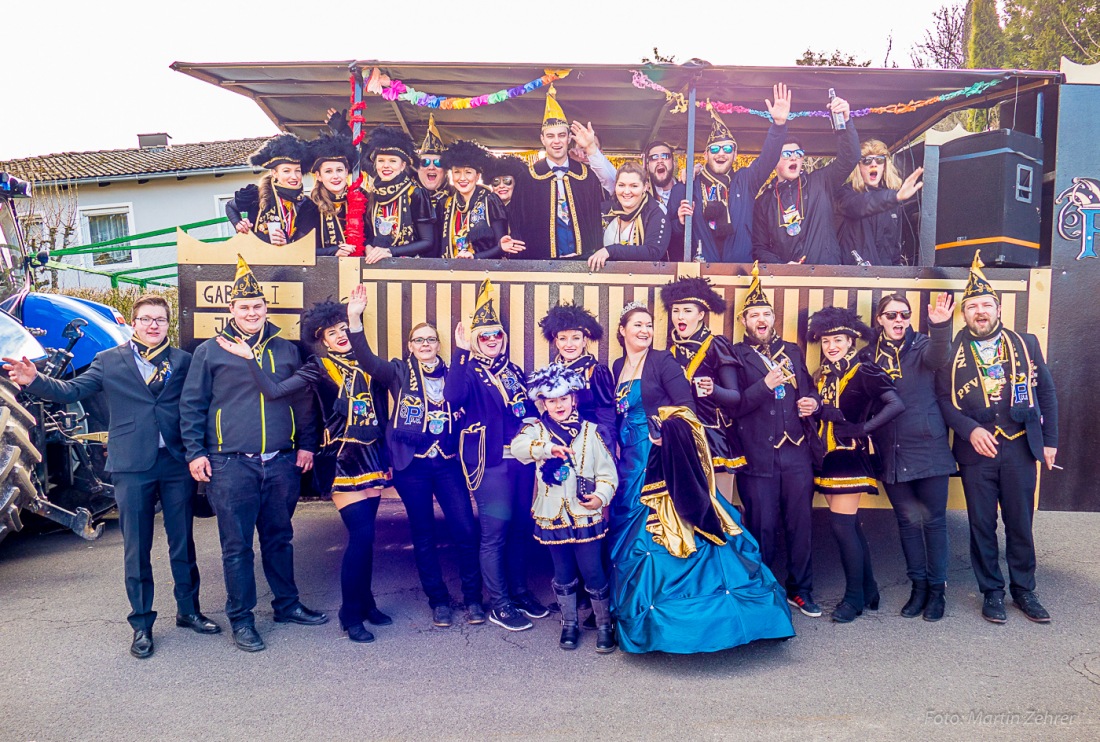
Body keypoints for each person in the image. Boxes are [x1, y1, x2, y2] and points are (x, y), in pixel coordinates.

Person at [4, 295, 219, 659]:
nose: (153, 325)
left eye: (160, 320)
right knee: (137, 548)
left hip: (175, 463)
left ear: (169, 325)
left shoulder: (183, 362)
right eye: (146, 319)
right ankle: (142, 625)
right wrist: (33, 379)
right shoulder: (108, 361)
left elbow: (199, 404)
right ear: (134, 324)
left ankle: (189, 611)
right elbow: (70, 390)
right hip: (131, 465)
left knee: (182, 543)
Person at [608, 302, 795, 653]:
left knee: (666, 535)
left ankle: (697, 622)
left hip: (661, 460)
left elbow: (686, 405)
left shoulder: (663, 361)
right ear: (622, 331)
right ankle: (630, 613)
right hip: (628, 463)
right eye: (637, 325)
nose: (645, 330)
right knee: (629, 537)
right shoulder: (617, 366)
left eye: (649, 325)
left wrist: (663, 428)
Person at [215, 298, 394, 644]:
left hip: (374, 457)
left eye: (344, 329)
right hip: (344, 461)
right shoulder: (318, 366)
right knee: (361, 537)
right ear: (322, 339)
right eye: (332, 332)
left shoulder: (368, 362)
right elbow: (274, 390)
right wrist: (251, 361)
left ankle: (368, 603)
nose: (341, 336)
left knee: (368, 537)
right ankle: (350, 613)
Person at [179, 255, 323, 653]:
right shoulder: (211, 351)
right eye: (244, 307)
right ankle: (241, 620)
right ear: (231, 310)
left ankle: (287, 605)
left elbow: (303, 402)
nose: (252, 313)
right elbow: (192, 405)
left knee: (280, 537)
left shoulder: (285, 349)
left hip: (280, 461)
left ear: (266, 309)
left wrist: (307, 443)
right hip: (230, 463)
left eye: (258, 307)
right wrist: (195, 452)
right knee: (236, 545)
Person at [342, 285, 485, 628]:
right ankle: (438, 601)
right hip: (412, 466)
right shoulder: (398, 372)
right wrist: (354, 318)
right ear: (410, 346)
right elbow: (366, 359)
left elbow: (459, 398)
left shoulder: (455, 372)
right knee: (423, 534)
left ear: (438, 344)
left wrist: (464, 350)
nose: (425, 344)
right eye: (419, 340)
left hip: (447, 462)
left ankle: (473, 598)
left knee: (466, 529)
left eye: (431, 339)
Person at [937, 252, 1058, 624]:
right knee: (981, 524)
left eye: (985, 305)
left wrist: (1050, 440)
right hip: (977, 452)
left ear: (998, 308)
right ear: (965, 313)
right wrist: (969, 430)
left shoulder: (1026, 344)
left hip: (1020, 445)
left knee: (1020, 522)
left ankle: (1024, 589)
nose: (980, 312)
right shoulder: (951, 351)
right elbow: (943, 400)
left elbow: (1048, 394)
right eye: (972, 307)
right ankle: (992, 591)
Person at [444, 279, 547, 631]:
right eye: (484, 336)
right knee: (495, 532)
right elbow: (453, 397)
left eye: (496, 336)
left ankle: (518, 592)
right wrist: (459, 352)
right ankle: (498, 602)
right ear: (474, 339)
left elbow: (529, 408)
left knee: (521, 527)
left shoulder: (513, 370)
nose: (491, 341)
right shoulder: (468, 371)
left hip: (521, 462)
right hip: (491, 465)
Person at [731, 263, 823, 617]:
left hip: (796, 452)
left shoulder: (793, 350)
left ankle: (802, 590)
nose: (761, 319)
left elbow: (809, 389)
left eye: (766, 313)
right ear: (744, 322)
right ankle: (763, 589)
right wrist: (763, 385)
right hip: (758, 454)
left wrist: (811, 402)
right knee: (762, 525)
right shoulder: (736, 355)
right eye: (754, 314)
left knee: (801, 524)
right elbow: (736, 403)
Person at [858, 292, 956, 621]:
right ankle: (918, 588)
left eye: (904, 314)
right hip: (891, 452)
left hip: (928, 447)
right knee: (908, 523)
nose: (899, 320)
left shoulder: (923, 346)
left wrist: (941, 327)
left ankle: (937, 591)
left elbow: (941, 356)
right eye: (891, 315)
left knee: (934, 522)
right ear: (880, 320)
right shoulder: (868, 356)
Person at [808, 306, 905, 623]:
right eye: (826, 341)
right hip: (828, 459)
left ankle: (854, 600)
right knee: (849, 527)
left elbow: (895, 403)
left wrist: (863, 429)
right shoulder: (822, 375)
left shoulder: (865, 371)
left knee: (842, 527)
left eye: (838, 340)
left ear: (851, 342)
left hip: (850, 458)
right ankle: (869, 588)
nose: (831, 346)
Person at [511, 365, 618, 653]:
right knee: (563, 573)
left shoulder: (592, 431)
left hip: (585, 514)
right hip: (552, 514)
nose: (558, 405)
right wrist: (547, 449)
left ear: (574, 400)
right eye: (551, 400)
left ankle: (605, 624)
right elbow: (519, 447)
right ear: (542, 403)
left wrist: (600, 496)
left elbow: (609, 474)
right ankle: (568, 624)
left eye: (563, 399)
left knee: (593, 570)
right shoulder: (536, 430)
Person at [672, 86, 791, 263]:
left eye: (727, 148)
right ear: (705, 155)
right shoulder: (690, 185)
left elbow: (768, 159)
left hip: (740, 273)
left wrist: (779, 126)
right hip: (701, 274)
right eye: (714, 149)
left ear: (735, 155)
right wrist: (681, 223)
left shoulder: (745, 180)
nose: (721, 153)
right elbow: (671, 236)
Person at [660, 276, 746, 503]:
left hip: (714, 437)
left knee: (722, 508)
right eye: (675, 310)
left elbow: (735, 397)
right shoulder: (671, 349)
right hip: (682, 435)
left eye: (687, 310)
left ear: (701, 314)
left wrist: (714, 390)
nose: (680, 316)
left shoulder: (716, 344)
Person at [752, 96, 860, 265]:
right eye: (787, 154)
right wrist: (782, 267)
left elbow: (850, 157)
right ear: (774, 160)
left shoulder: (821, 181)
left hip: (827, 274)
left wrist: (846, 121)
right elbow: (759, 247)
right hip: (789, 280)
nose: (793, 158)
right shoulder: (764, 202)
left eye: (798, 154)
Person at [515, 85, 603, 259]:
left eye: (561, 135)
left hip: (583, 261)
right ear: (542, 139)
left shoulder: (586, 175)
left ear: (569, 138)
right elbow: (519, 223)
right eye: (550, 136)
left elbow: (595, 220)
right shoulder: (528, 177)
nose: (557, 141)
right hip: (542, 262)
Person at [538, 303, 616, 452]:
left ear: (584, 340)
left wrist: (606, 452)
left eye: (575, 338)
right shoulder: (549, 373)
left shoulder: (596, 372)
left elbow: (607, 417)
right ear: (556, 341)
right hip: (557, 445)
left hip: (589, 446)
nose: (569, 344)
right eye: (563, 338)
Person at [836, 140, 925, 266]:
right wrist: (896, 196)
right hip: (853, 277)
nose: (873, 164)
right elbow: (861, 205)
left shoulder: (893, 202)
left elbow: (895, 249)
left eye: (879, 160)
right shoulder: (846, 193)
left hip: (883, 278)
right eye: (867, 161)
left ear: (884, 166)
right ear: (859, 166)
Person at [361, 124, 437, 263]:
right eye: (381, 161)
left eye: (392, 161)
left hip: (407, 268)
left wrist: (390, 252)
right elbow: (367, 234)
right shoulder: (371, 194)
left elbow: (427, 241)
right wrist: (367, 246)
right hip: (375, 265)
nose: (386, 166)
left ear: (402, 165)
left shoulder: (416, 193)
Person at [438, 140, 524, 259]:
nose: (462, 178)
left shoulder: (490, 200)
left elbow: (502, 248)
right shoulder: (447, 204)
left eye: (468, 172)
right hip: (452, 270)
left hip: (486, 272)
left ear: (477, 176)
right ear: (451, 176)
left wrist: (474, 256)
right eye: (457, 172)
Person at [225, 134, 309, 245]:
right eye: (286, 171)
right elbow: (230, 206)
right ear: (275, 173)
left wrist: (286, 243)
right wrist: (238, 224)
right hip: (256, 256)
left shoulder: (306, 204)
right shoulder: (255, 194)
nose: (294, 176)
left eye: (297, 170)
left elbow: (301, 243)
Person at [587, 162, 671, 271]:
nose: (626, 192)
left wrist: (611, 250)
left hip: (643, 281)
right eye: (621, 185)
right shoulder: (604, 210)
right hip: (603, 279)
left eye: (634, 186)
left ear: (645, 187)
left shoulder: (656, 214)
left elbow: (653, 252)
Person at [297, 129, 361, 256]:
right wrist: (333, 251)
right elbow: (302, 250)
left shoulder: (361, 199)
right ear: (319, 176)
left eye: (339, 170)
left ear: (346, 172)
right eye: (328, 171)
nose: (335, 176)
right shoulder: (310, 207)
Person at [483, 154, 530, 248]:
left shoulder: (526, 209)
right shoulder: (485, 208)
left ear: (515, 183)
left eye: (507, 181)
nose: (501, 186)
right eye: (496, 182)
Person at [417, 114, 450, 209]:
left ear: (446, 170)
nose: (431, 167)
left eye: (438, 163)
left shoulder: (458, 197)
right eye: (425, 162)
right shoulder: (405, 197)